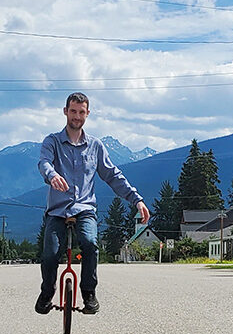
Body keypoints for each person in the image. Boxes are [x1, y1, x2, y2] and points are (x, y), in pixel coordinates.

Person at [36, 92, 150, 315]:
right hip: (57, 210)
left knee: (90, 243)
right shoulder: (52, 141)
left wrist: (137, 200)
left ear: (87, 114)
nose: (76, 116)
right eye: (72, 111)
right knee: (50, 253)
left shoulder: (96, 146)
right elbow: (44, 162)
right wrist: (52, 176)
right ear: (65, 111)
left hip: (85, 209)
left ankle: (89, 292)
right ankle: (47, 292)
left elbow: (113, 176)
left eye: (81, 112)